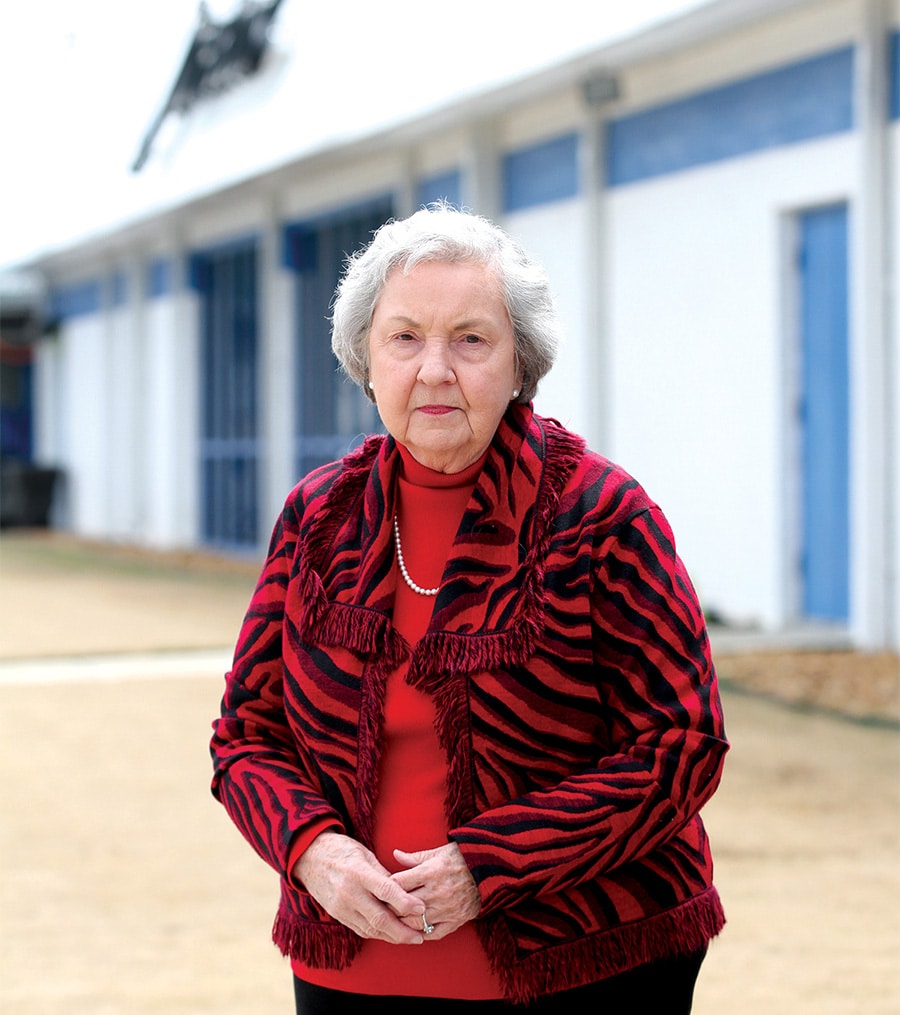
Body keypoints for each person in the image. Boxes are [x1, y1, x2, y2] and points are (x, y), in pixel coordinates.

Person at [210, 203, 728, 1013]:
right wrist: (312, 851)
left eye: (471, 339)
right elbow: (247, 737)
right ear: (366, 360)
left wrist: (492, 864)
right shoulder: (318, 517)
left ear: (520, 360)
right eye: (405, 337)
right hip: (351, 971)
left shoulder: (601, 514)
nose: (435, 369)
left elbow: (681, 747)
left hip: (587, 964)